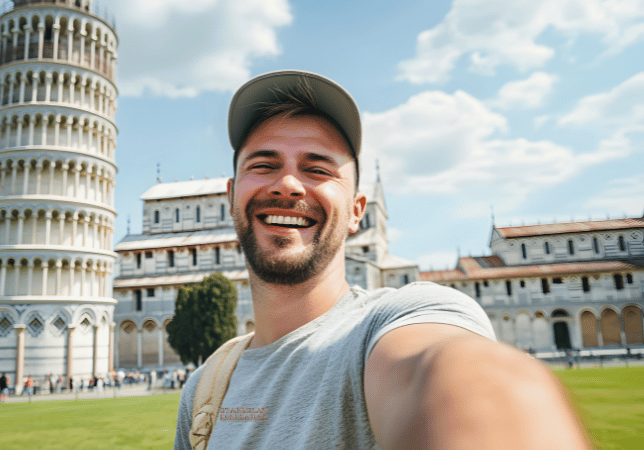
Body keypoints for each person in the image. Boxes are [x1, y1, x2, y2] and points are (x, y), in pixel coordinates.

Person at [173, 71, 591, 449]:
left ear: (358, 211)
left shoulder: (402, 317)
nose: (287, 185)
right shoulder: (205, 390)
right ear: (230, 196)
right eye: (264, 165)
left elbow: (455, 372)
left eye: (317, 169)